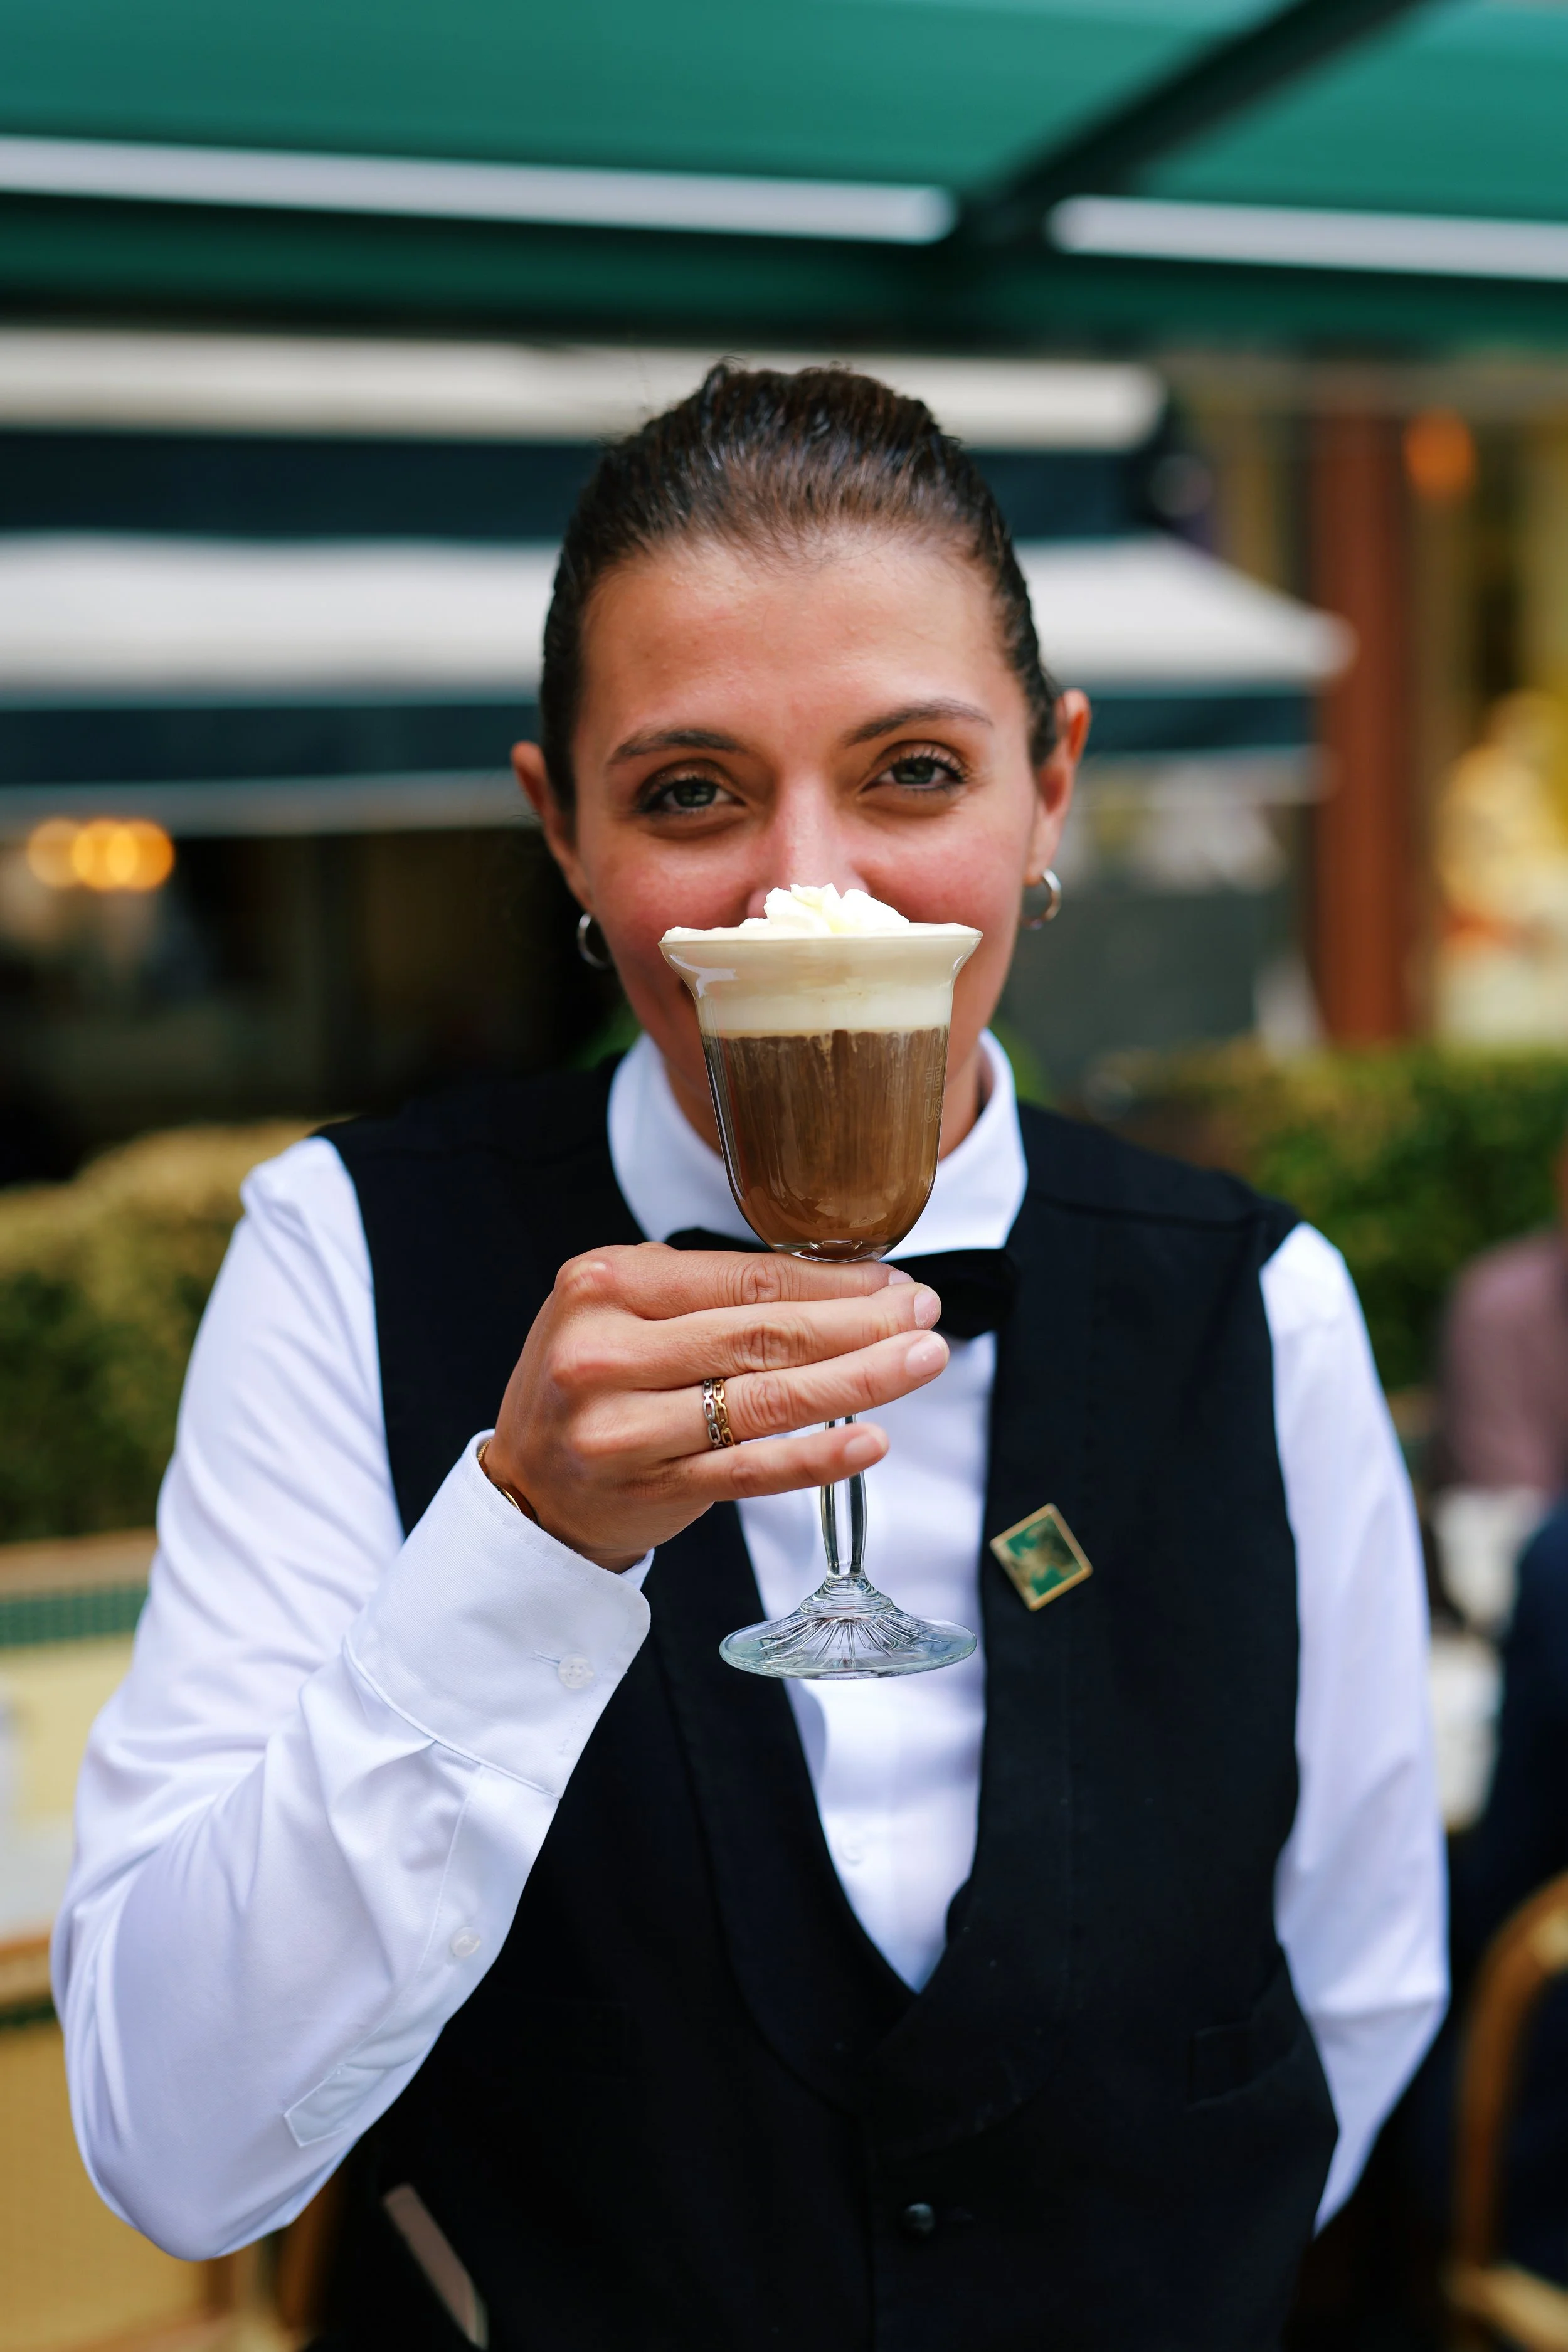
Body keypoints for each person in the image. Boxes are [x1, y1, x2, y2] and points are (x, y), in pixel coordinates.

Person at [53, 366, 1445, 2351]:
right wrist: (519, 1553)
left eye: (913, 771)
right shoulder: (344, 1255)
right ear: (562, 833)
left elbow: (1362, 1980)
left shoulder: (1251, 1296)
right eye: (688, 791)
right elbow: (176, 2146)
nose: (810, 888)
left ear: (1048, 786)